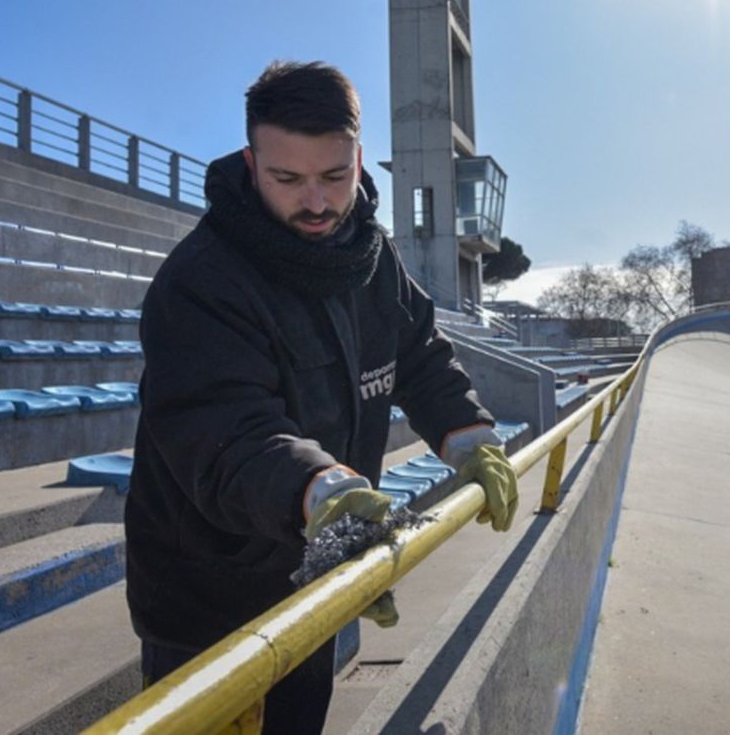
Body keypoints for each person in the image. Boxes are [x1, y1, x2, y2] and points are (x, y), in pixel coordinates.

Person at [123, 60, 518, 734]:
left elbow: (419, 355)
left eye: (335, 177)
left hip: (314, 574)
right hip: (211, 598)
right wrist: (322, 492)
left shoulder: (370, 254)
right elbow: (229, 431)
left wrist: (470, 438)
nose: (316, 203)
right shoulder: (200, 284)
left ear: (359, 159)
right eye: (288, 179)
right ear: (251, 163)